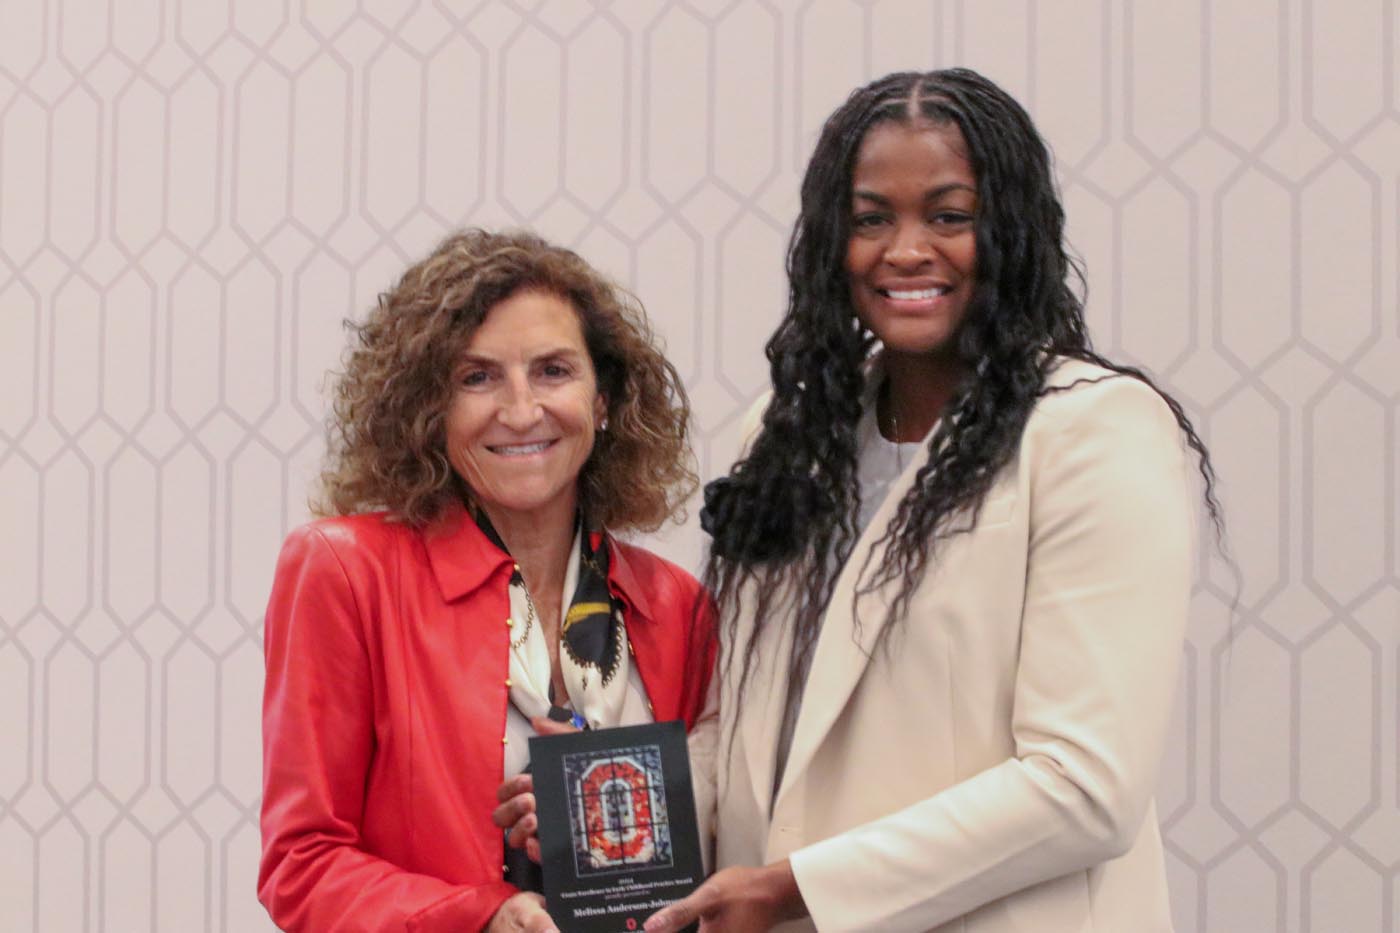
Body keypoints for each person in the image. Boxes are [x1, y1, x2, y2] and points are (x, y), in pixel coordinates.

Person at [645, 68, 1225, 932]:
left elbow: (1085, 785)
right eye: (871, 217)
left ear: (1012, 233)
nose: (906, 249)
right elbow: (744, 730)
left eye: (949, 216)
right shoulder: (786, 431)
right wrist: (621, 811)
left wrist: (794, 886)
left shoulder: (1093, 430)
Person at [258, 228, 713, 933]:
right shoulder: (345, 572)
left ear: (603, 400)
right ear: (429, 409)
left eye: (554, 370)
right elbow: (303, 862)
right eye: (478, 377)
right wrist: (481, 917)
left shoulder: (674, 603)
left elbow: (701, 842)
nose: (523, 409)